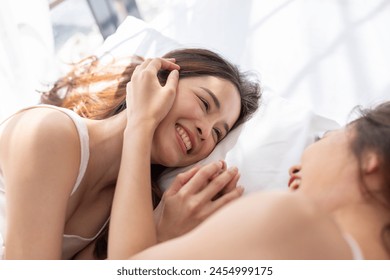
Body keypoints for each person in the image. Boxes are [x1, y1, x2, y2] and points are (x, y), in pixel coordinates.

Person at [0, 48, 261, 259]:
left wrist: (160, 236)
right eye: (204, 103)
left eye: (217, 133)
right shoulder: (50, 133)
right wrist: (141, 122)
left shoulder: (122, 208)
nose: (206, 130)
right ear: (159, 78)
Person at [107, 101, 390, 260]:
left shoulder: (294, 221)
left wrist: (139, 128)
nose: (293, 170)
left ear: (371, 159)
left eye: (324, 137)